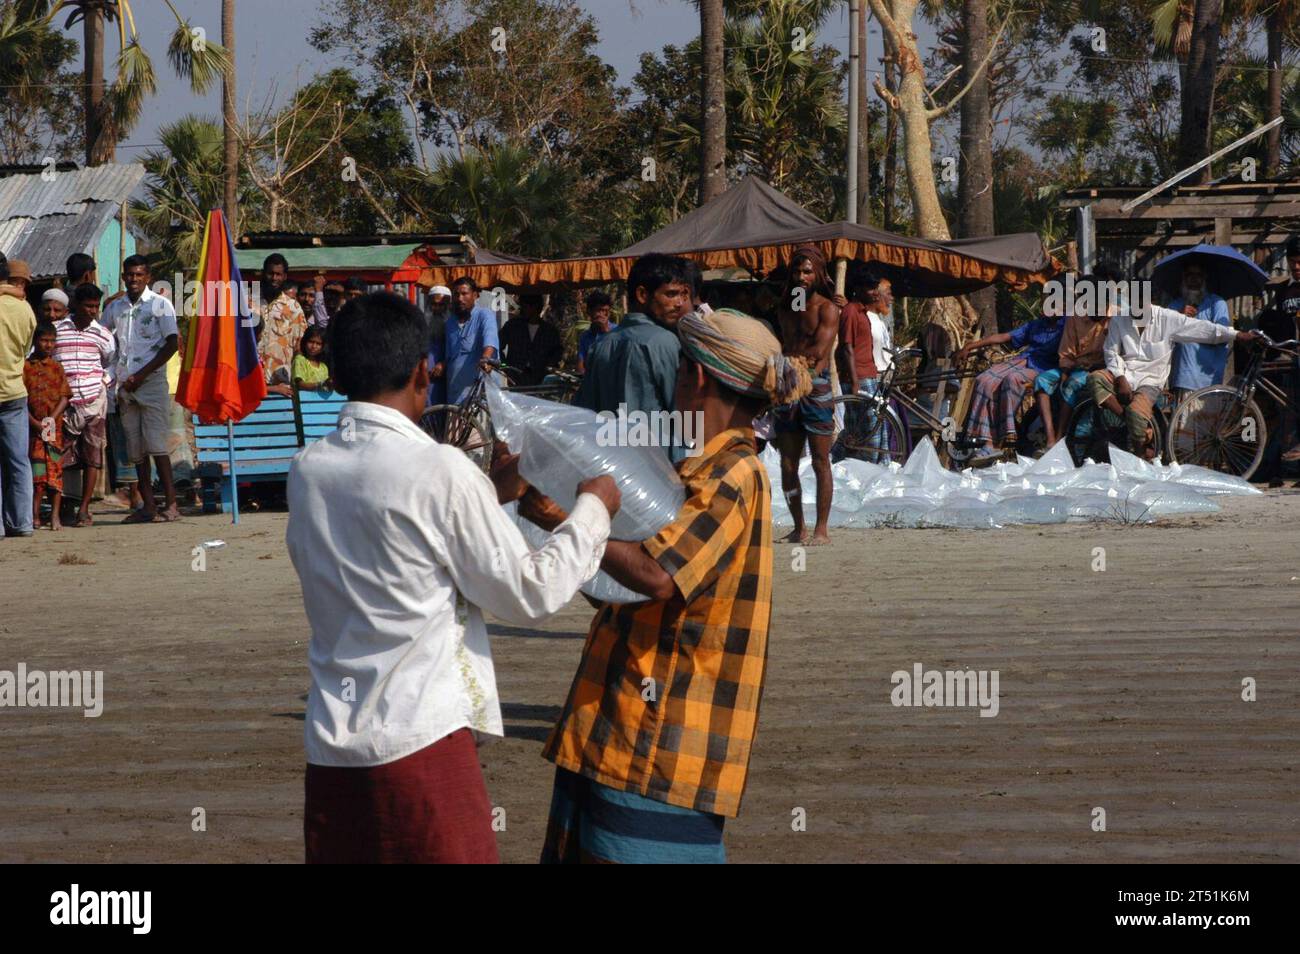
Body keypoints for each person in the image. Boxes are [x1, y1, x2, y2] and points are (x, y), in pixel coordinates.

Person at [286, 291, 619, 863]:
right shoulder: (439, 470)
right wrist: (594, 510)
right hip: (420, 740)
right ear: (424, 370)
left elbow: (400, 529)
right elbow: (530, 594)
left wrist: (489, 493)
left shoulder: (309, 468)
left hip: (335, 747)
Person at [518, 308, 810, 864]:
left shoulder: (734, 474)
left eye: (679, 374)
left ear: (696, 378)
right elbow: (624, 585)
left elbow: (657, 577)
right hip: (619, 720)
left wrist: (572, 520)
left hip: (661, 736)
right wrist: (575, 537)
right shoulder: (699, 469)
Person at [1088, 296, 1259, 460]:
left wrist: (1237, 335)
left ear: (1151, 301)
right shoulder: (1120, 319)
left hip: (1151, 380)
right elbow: (1111, 351)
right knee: (1094, 380)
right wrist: (1119, 377)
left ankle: (1141, 456)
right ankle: (1140, 429)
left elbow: (1203, 328)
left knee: (1136, 413)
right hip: (1125, 374)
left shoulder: (1167, 318)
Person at [100, 256, 181, 523]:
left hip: (152, 382)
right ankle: (149, 506)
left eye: (139, 275)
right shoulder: (115, 308)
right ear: (124, 276)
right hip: (125, 386)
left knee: (158, 446)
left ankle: (171, 504)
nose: (133, 279)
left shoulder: (160, 305)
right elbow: (103, 337)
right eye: (129, 275)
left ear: (147, 276)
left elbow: (172, 344)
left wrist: (142, 374)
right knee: (136, 451)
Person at [574, 254, 692, 426]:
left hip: (610, 449)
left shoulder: (600, 345)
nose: (679, 303)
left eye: (682, 295)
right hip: (656, 450)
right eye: (671, 294)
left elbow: (585, 413)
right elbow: (682, 419)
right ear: (643, 295)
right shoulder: (665, 342)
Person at [773, 244, 840, 544]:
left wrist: (794, 360)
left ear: (819, 274)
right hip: (788, 386)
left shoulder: (828, 308)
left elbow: (818, 351)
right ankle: (799, 527)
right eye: (797, 271)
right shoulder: (789, 305)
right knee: (788, 462)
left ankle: (821, 529)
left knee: (819, 461)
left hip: (815, 386)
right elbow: (789, 337)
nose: (801, 277)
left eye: (807, 272)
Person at [955, 311, 1067, 459]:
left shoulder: (1067, 324)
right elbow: (1004, 337)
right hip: (1023, 361)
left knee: (1012, 379)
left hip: (1045, 368)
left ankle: (1003, 436)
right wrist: (971, 346)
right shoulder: (1036, 325)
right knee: (984, 380)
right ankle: (988, 442)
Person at [54, 284, 116, 527]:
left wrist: (104, 380)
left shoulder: (103, 334)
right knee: (63, 458)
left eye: (95, 307)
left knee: (92, 457)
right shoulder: (58, 331)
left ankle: (84, 509)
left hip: (93, 402)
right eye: (87, 306)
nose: (92, 311)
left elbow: (111, 362)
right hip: (63, 405)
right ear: (75, 306)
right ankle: (64, 507)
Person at [1032, 272, 1115, 447]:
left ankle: (1061, 436)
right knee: (1041, 381)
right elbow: (1066, 352)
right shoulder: (1076, 317)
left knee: (1073, 383)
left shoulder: (1118, 317)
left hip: (1106, 369)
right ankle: (1050, 437)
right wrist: (1065, 370)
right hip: (1078, 366)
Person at [834, 274, 895, 461]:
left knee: (875, 427)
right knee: (867, 431)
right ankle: (867, 468)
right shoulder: (851, 311)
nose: (875, 293)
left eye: (875, 288)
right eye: (870, 289)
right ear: (858, 289)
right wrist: (854, 381)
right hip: (858, 378)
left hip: (869, 376)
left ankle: (878, 467)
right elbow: (847, 347)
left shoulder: (863, 313)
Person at [0, 251, 37, 538]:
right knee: (18, 461)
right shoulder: (25, 309)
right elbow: (26, 350)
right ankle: (22, 523)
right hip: (14, 391)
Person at [24, 321, 72, 530]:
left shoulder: (57, 367)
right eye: (44, 340)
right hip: (32, 427)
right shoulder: (25, 367)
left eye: (52, 341)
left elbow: (64, 397)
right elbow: (20, 399)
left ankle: (54, 516)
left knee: (55, 471)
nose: (48, 345)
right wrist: (35, 423)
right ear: (35, 341)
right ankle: (34, 516)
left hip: (53, 427)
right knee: (37, 475)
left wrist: (50, 419)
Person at [1168, 261, 1231, 399]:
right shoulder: (1175, 306)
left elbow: (1223, 335)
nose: (1194, 279)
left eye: (1198, 275)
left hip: (1209, 381)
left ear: (1204, 278)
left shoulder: (1217, 304)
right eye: (1189, 275)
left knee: (1209, 420)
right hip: (1182, 378)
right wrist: (1178, 316)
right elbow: (1162, 336)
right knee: (1181, 421)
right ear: (1183, 278)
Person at [440, 276, 499, 404]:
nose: (460, 298)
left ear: (475, 295)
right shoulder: (450, 322)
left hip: (478, 395)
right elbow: (450, 354)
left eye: (464, 294)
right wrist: (442, 364)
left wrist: (486, 358)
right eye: (456, 294)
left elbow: (490, 339)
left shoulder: (484, 315)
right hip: (454, 394)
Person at [255, 255, 307, 397]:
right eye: (270, 273)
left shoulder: (294, 309)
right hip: (251, 384)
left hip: (283, 388)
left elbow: (300, 348)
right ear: (263, 273)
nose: (274, 278)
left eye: (278, 274)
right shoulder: (248, 304)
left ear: (284, 277)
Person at [499, 293, 563, 386]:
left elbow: (557, 353)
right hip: (515, 378)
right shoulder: (512, 326)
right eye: (523, 306)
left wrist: (547, 369)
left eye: (527, 306)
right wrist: (505, 367)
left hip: (539, 381)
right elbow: (497, 346)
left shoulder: (549, 331)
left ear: (536, 307)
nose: (524, 310)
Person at [576, 290, 616, 375]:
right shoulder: (585, 336)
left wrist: (605, 331)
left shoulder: (617, 331)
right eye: (599, 310)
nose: (602, 314)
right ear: (589, 311)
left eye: (606, 311)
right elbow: (580, 364)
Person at [292, 326, 331, 392]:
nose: (314, 346)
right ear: (304, 342)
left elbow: (327, 386)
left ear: (323, 347)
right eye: (311, 341)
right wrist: (320, 385)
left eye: (318, 344)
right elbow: (300, 384)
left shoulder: (323, 367)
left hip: (319, 401)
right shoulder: (300, 360)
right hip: (303, 401)